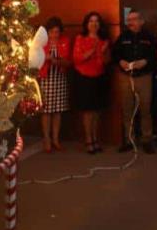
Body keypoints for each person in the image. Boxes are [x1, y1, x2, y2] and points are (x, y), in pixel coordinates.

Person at [112, 9, 157, 154]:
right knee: (127, 109)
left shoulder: (149, 37)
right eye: (129, 20)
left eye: (134, 19)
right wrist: (121, 61)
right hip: (126, 77)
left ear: (141, 21)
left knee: (145, 109)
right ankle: (129, 140)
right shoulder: (122, 37)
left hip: (144, 77)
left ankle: (147, 139)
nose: (131, 22)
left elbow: (156, 56)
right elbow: (115, 54)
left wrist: (145, 61)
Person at [72, 11, 111, 154]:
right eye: (91, 21)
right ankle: (89, 140)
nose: (94, 24)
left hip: (99, 77)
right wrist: (94, 50)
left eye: (96, 21)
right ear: (86, 24)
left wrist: (104, 51)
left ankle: (95, 139)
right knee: (88, 112)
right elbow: (77, 58)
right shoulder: (80, 38)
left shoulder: (104, 40)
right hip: (84, 78)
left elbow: (106, 61)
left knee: (97, 111)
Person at [37, 16, 72, 153]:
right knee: (46, 111)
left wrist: (58, 61)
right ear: (47, 32)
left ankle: (56, 139)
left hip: (59, 77)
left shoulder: (65, 41)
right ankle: (46, 139)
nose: (55, 34)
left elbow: (68, 61)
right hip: (46, 78)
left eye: (57, 32)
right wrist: (46, 58)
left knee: (58, 110)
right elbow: (35, 60)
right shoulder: (41, 42)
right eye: (52, 32)